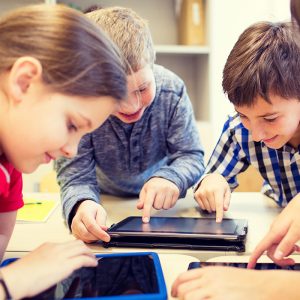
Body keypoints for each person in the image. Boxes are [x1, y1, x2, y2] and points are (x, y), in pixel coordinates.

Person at [171, 2, 300, 299]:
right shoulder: (240, 130)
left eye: (270, 118)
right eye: (243, 115)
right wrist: (211, 183)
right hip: (275, 240)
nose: (256, 133)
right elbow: (213, 177)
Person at [0, 4, 128, 300]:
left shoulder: (10, 162)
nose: (71, 151)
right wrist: (13, 280)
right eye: (72, 124)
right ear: (24, 81)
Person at [54, 6, 205, 243]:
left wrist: (171, 177)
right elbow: (76, 177)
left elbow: (191, 155)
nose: (132, 106)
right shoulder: (82, 104)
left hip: (164, 209)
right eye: (117, 95)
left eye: (142, 89)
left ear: (153, 63)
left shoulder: (172, 90)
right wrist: (81, 206)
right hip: (104, 203)